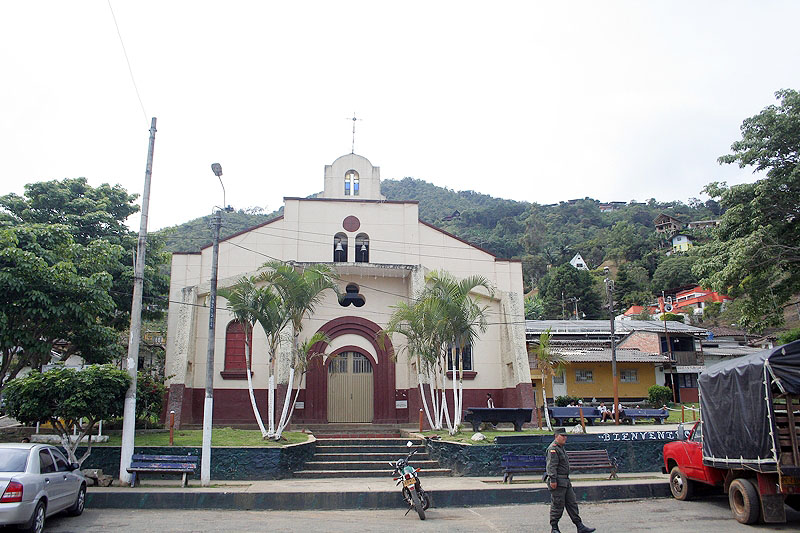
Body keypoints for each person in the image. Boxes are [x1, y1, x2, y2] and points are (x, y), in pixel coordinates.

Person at [546, 427, 596, 533]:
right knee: (558, 504)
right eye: (562, 436)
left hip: (565, 480)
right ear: (556, 436)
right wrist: (553, 480)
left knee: (572, 503)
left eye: (566, 436)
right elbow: (551, 466)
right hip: (558, 481)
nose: (565, 438)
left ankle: (579, 526)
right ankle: (554, 527)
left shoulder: (560, 448)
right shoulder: (553, 449)